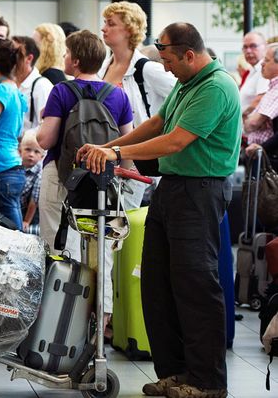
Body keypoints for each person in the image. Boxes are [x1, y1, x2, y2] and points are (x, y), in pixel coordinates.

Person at [77, 23, 239, 398]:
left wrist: (116, 154)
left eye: (167, 60)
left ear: (189, 54)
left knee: (195, 286)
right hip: (173, 190)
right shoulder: (187, 82)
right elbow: (155, 124)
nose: (164, 68)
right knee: (157, 285)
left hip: (201, 191)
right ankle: (176, 372)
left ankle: (207, 381)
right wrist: (106, 146)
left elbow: (175, 141)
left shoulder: (215, 86)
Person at [36, 30, 133, 258]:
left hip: (62, 175)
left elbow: (45, 140)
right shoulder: (119, 95)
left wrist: (45, 118)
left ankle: (63, 293)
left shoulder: (61, 91)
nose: (65, 56)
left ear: (76, 61)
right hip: (102, 180)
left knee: (57, 247)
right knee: (101, 252)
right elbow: (127, 150)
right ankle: (100, 294)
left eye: (67, 52)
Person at [99, 1, 177, 206]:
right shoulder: (105, 67)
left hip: (136, 162)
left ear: (128, 29)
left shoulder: (147, 69)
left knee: (125, 223)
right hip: (110, 156)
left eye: (111, 23)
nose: (103, 28)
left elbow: (184, 94)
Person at [0, 37, 28, 230]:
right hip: (12, 165)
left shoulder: (1, 91)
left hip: (0, 168)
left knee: (10, 233)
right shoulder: (16, 91)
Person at [14, 35, 52, 131]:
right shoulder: (10, 83)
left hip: (30, 145)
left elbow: (47, 126)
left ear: (29, 58)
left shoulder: (41, 86)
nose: (10, 57)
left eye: (15, 53)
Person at [18, 130, 45, 234]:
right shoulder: (16, 166)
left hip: (30, 212)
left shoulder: (39, 172)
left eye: (36, 152)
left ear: (42, 156)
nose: (31, 154)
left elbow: (34, 200)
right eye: (27, 150)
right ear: (20, 151)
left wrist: (26, 221)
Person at [239, 31, 268, 114]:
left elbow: (261, 98)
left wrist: (243, 115)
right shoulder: (253, 70)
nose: (248, 51)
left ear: (265, 47)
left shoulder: (265, 69)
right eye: (245, 47)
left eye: (253, 46)